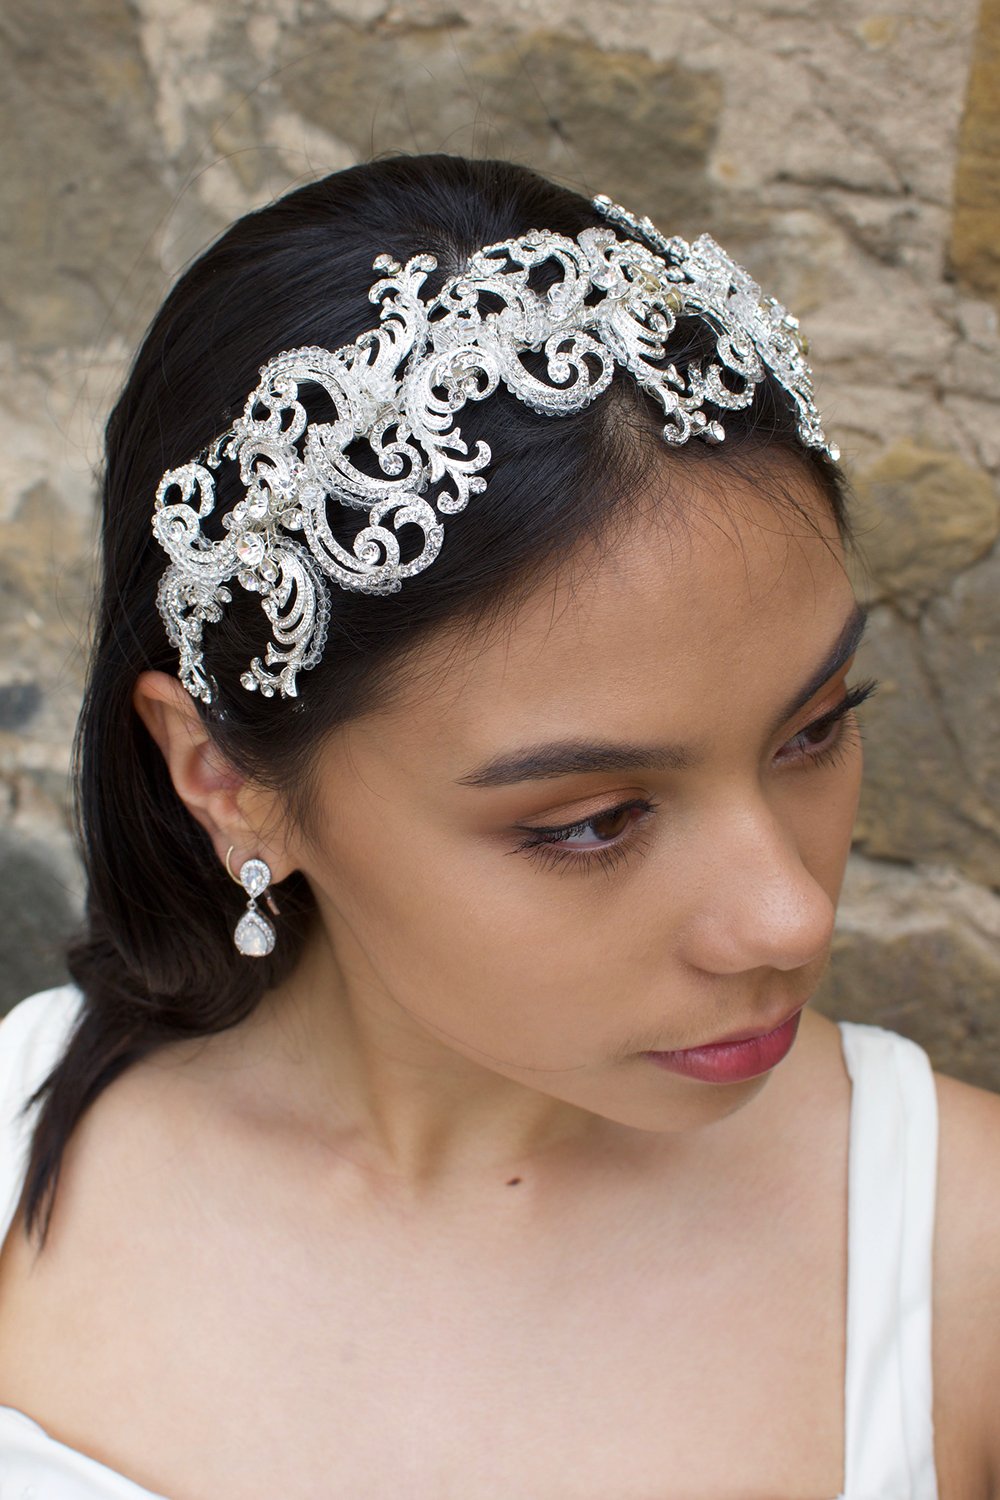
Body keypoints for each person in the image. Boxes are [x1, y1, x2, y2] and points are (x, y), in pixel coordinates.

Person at [0, 152, 996, 1499]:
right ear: (225, 779)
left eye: (814, 728)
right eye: (592, 822)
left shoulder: (965, 1268)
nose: (792, 914)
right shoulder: (17, 1150)